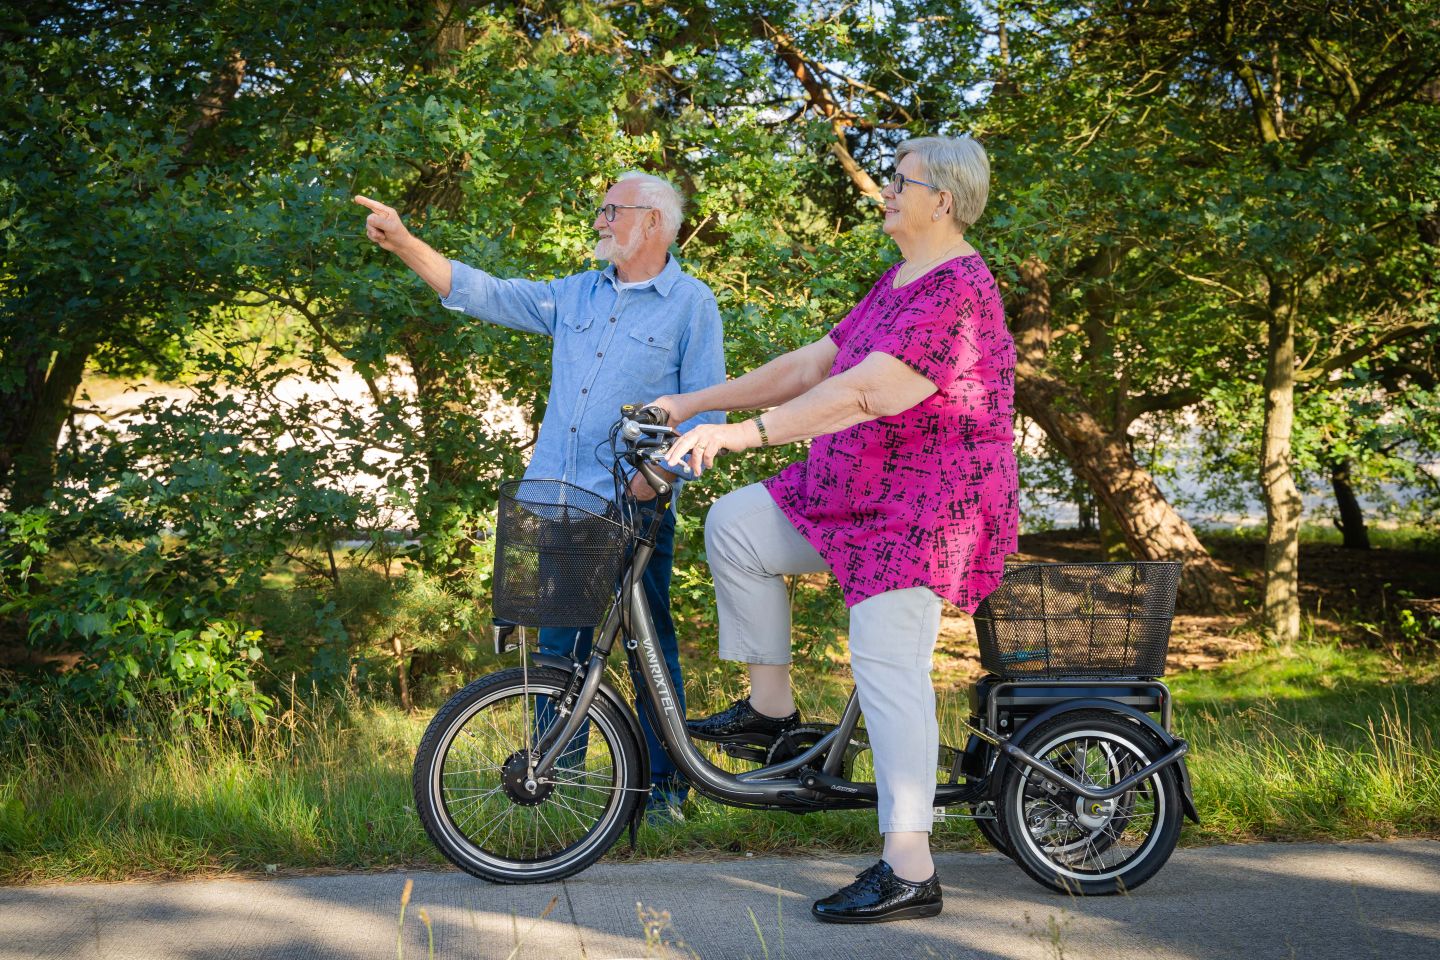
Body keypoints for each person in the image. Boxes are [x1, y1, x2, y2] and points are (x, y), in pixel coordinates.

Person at [648, 135, 1018, 922]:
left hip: (923, 510)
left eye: (899, 179)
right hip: (851, 491)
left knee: (887, 664)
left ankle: (910, 867)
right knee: (738, 524)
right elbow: (815, 365)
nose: (886, 189)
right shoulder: (900, 281)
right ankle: (774, 719)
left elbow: (869, 394)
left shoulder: (959, 291)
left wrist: (743, 436)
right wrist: (692, 405)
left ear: (941, 201)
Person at [356, 172, 726, 821]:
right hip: (565, 503)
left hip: (637, 506)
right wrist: (405, 243)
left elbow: (707, 410)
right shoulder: (576, 294)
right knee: (558, 653)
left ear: (654, 224)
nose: (601, 221)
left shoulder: (691, 304)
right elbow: (485, 294)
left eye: (613, 211)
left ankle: (667, 793)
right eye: (602, 209)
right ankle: (562, 784)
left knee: (649, 651)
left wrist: (655, 480)